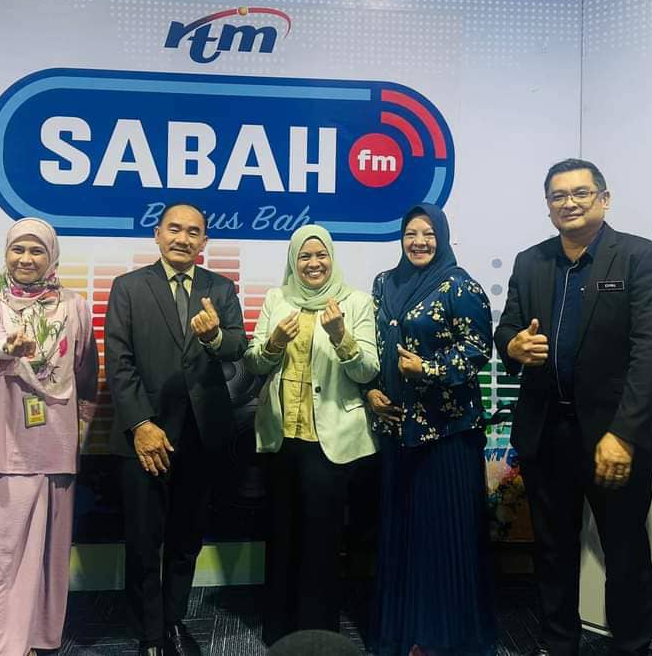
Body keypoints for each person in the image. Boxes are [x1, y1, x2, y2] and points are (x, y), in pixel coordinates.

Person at [494, 159, 652, 656]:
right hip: (546, 432)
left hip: (613, 437)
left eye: (580, 193)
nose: (569, 203)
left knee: (625, 551)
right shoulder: (531, 261)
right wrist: (512, 346)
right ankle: (558, 644)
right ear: (548, 205)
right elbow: (507, 328)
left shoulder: (639, 256)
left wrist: (624, 433)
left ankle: (631, 646)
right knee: (552, 550)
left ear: (604, 199)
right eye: (558, 196)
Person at [105, 203, 247, 656]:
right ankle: (149, 634)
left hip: (201, 437)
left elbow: (237, 345)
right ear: (157, 233)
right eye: (174, 229)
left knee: (186, 540)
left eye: (193, 232)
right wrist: (141, 424)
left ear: (204, 241)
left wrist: (213, 337)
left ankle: (172, 621)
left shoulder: (220, 288)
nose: (183, 238)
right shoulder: (128, 287)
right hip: (145, 437)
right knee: (143, 541)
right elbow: (119, 362)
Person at [0, 218, 98, 656]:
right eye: (17, 249)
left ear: (51, 256)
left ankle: (38, 638)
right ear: (6, 254)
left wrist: (82, 424)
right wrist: (10, 347)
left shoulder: (75, 306)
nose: (26, 259)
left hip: (56, 443)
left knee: (49, 555)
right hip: (5, 445)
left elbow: (85, 369)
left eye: (36, 250)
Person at [367, 203, 496, 656]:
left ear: (442, 237)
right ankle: (403, 632)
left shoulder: (460, 285)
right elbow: (373, 345)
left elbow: (478, 350)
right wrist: (371, 389)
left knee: (444, 536)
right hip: (397, 432)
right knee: (403, 534)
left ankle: (443, 637)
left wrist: (429, 368)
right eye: (411, 233)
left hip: (447, 433)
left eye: (428, 233)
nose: (419, 241)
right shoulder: (384, 283)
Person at [245, 225, 379, 645]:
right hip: (281, 436)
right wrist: (273, 343)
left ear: (332, 259)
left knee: (322, 541)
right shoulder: (277, 299)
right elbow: (254, 363)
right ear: (293, 261)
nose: (313, 263)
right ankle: (279, 632)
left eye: (321, 255)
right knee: (281, 535)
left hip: (331, 440)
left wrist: (341, 337)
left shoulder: (356, 302)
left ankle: (317, 636)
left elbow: (368, 371)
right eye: (305, 256)